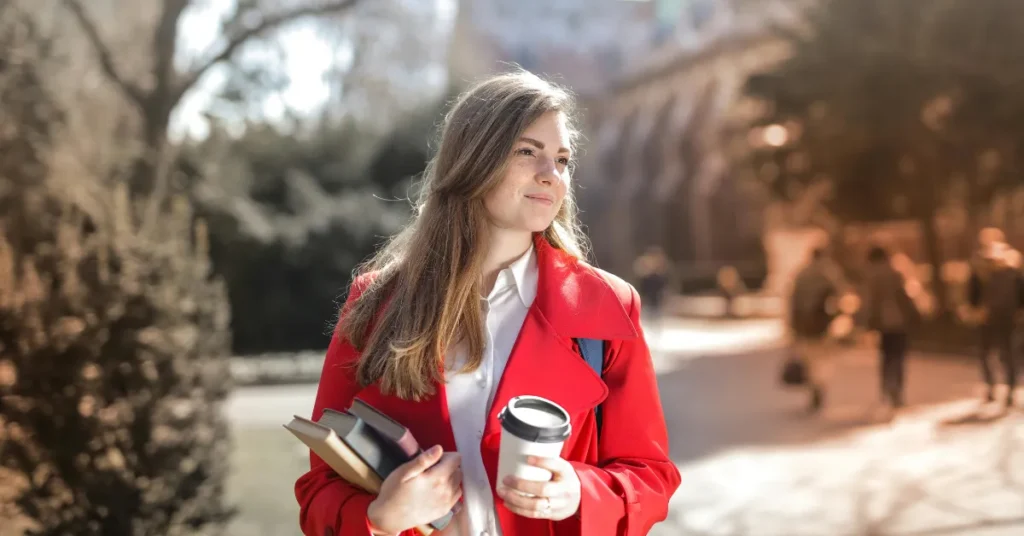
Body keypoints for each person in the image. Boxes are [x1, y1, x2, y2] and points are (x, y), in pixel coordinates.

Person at [294, 71, 681, 536]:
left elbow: (650, 475)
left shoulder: (608, 307)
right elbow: (319, 487)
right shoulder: (375, 304)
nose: (551, 175)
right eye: (527, 151)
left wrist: (580, 492)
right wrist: (380, 519)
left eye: (562, 159)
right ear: (473, 160)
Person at [860, 246, 920, 409]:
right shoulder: (896, 272)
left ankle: (887, 389)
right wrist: (914, 315)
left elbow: (870, 303)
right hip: (899, 322)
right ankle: (898, 391)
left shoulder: (872, 277)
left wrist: (868, 323)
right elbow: (905, 296)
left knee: (886, 358)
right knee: (899, 357)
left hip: (882, 324)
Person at [966, 238, 1024, 407]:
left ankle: (992, 388)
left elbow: (972, 297)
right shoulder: (1013, 272)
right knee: (1008, 355)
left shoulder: (979, 272)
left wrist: (975, 311)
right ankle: (1009, 391)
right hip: (1008, 319)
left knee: (987, 355)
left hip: (987, 319)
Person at [788, 246, 844, 413]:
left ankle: (814, 388)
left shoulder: (802, 274)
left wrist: (793, 325)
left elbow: (793, 301)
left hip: (803, 325)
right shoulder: (828, 274)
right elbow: (839, 297)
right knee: (821, 359)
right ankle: (818, 387)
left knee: (809, 358)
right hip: (821, 324)